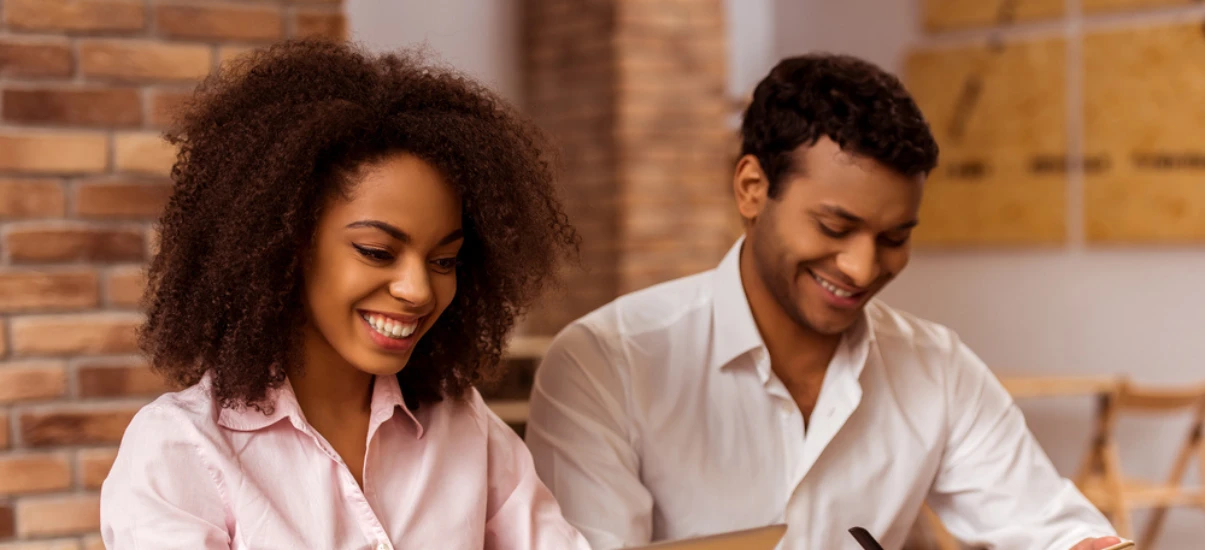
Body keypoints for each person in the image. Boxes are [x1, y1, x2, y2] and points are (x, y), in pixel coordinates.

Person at [524, 53, 1123, 550]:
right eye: (835, 228)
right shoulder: (605, 363)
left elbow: (1052, 529)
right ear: (752, 189)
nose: (863, 268)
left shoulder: (936, 367)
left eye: (894, 237)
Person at [99, 39, 589, 550]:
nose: (418, 290)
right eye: (377, 251)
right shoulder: (182, 449)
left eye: (444, 261)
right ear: (284, 244)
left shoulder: (462, 423)